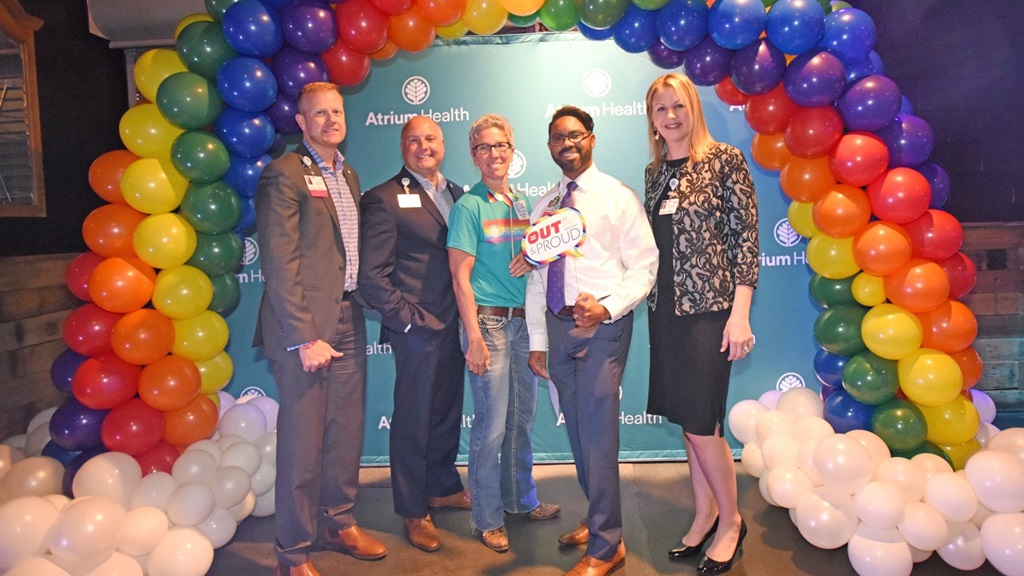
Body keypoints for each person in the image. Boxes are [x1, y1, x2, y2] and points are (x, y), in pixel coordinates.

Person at [254, 81, 387, 576]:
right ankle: (292, 552)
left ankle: (339, 519)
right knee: (302, 442)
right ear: (302, 123)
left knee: (345, 432)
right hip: (305, 331)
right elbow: (279, 262)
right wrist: (304, 336)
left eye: (337, 111)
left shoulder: (346, 174)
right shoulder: (283, 174)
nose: (332, 119)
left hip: (348, 315)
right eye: (320, 114)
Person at [525, 106, 658, 576]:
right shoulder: (545, 206)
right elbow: (538, 282)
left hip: (602, 327)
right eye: (558, 137)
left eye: (576, 135)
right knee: (580, 431)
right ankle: (599, 516)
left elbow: (644, 267)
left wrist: (607, 306)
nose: (568, 143)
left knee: (598, 433)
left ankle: (607, 546)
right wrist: (538, 340)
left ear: (592, 139)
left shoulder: (618, 198)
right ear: (550, 147)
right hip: (559, 331)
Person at [643, 73, 759, 576]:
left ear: (694, 109)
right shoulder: (654, 173)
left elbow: (746, 244)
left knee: (702, 421)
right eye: (661, 108)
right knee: (691, 424)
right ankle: (705, 511)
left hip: (710, 312)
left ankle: (731, 522)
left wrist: (740, 315)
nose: (671, 116)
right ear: (651, 117)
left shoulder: (724, 161)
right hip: (664, 312)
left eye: (679, 106)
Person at [447, 114, 562, 554]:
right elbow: (460, 278)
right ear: (473, 154)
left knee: (521, 421)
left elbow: (538, 256)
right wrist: (473, 337)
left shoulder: (521, 204)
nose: (494, 154)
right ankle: (487, 518)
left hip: (522, 324)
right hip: (489, 325)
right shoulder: (468, 206)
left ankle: (520, 500)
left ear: (512, 151)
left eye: (501, 146)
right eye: (484, 147)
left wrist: (533, 259)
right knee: (491, 427)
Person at [358, 116, 469, 553]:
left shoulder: (459, 195)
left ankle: (441, 486)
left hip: (457, 324)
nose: (423, 147)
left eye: (430, 139)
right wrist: (406, 319)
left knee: (445, 411)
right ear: (402, 147)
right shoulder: (383, 199)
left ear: (443, 144)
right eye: (413, 140)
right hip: (417, 329)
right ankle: (411, 507)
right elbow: (371, 276)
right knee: (413, 419)